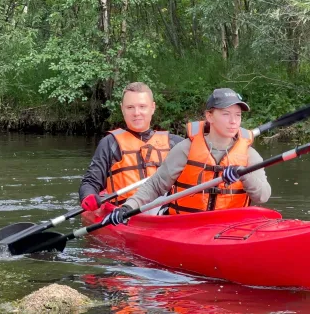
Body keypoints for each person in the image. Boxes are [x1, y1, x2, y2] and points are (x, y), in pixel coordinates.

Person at [103, 88, 272, 225]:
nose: (234, 121)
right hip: (185, 226)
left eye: (238, 115)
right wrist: (127, 207)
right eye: (226, 114)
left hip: (230, 227)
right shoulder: (186, 149)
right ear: (209, 116)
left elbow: (262, 196)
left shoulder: (250, 154)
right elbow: (155, 186)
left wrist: (244, 173)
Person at [79, 82, 184, 211]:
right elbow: (90, 182)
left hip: (166, 213)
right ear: (122, 109)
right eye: (130, 107)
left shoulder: (176, 143)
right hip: (123, 215)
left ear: (152, 108)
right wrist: (88, 196)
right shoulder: (110, 144)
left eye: (142, 106)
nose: (136, 113)